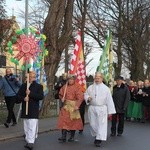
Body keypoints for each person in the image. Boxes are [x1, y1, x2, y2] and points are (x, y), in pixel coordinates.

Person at [84, 72, 116, 147]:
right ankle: (97, 135)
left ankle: (99, 139)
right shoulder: (90, 87)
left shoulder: (106, 89)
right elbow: (86, 94)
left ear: (102, 78)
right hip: (92, 107)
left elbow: (109, 100)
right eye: (96, 77)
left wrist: (110, 111)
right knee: (92, 124)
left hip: (102, 108)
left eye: (98, 78)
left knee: (101, 124)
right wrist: (88, 98)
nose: (97, 79)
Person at [17, 71, 44, 150]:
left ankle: (31, 142)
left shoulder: (39, 86)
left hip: (33, 109)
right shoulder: (23, 86)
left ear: (34, 78)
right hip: (26, 109)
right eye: (28, 77)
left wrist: (30, 93)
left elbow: (40, 96)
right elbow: (18, 96)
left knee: (32, 126)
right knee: (26, 127)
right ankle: (28, 140)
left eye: (32, 77)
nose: (30, 78)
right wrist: (23, 98)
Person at [57, 74, 84, 142]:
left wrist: (77, 106)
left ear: (74, 80)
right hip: (66, 106)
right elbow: (60, 94)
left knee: (73, 121)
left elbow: (80, 97)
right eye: (69, 79)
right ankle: (63, 136)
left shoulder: (77, 87)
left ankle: (72, 136)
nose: (70, 80)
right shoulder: (64, 87)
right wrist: (61, 98)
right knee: (64, 120)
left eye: (71, 79)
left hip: (73, 106)